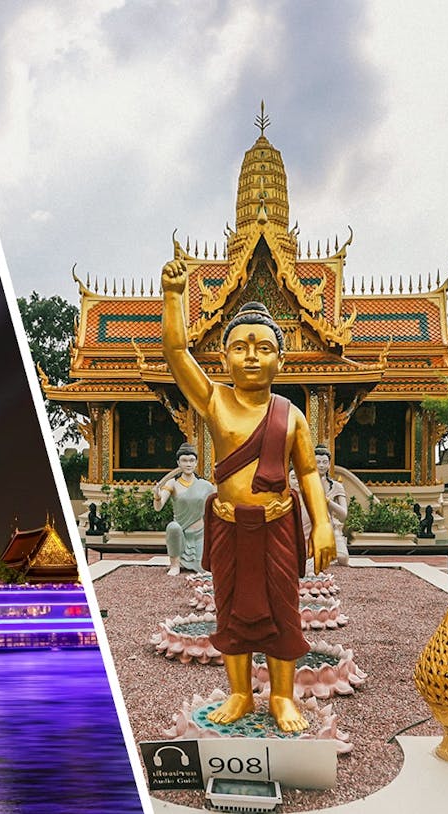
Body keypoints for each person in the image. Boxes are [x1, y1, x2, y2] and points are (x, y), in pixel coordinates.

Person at [161, 251, 335, 733]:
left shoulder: (292, 415)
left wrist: (321, 524)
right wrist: (174, 298)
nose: (252, 356)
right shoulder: (215, 401)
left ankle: (281, 697)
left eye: (263, 347)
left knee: (284, 609)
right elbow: (176, 355)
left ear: (281, 358)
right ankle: (240, 694)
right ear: (223, 357)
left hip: (278, 524)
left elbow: (309, 476)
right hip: (230, 525)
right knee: (231, 607)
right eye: (240, 347)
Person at [153, 442, 216, 576]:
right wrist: (157, 496)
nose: (188, 464)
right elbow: (158, 507)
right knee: (172, 527)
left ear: (196, 463)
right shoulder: (173, 483)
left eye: (191, 460)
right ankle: (175, 564)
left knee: (203, 569)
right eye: (184, 460)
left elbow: (214, 510)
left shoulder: (206, 486)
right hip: (180, 532)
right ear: (178, 463)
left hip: (200, 533)